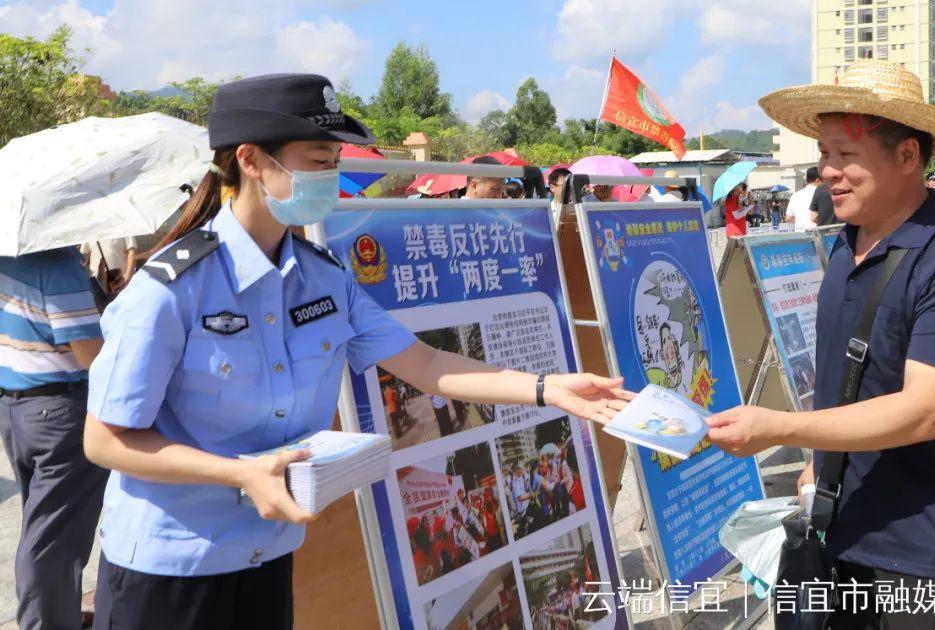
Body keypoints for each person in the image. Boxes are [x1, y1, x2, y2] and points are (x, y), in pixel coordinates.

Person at [82, 73, 631, 630]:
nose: (330, 177)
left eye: (334, 162)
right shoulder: (172, 288)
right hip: (169, 568)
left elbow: (429, 365)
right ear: (250, 160)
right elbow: (105, 439)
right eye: (318, 161)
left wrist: (547, 387)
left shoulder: (324, 280)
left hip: (267, 557)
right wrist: (238, 475)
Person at [712, 59, 935, 628]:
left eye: (846, 156)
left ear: (907, 156)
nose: (827, 172)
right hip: (844, 529)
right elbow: (849, 381)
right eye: (824, 154)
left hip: (923, 554)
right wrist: (818, 466)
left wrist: (779, 428)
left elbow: (923, 413)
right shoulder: (848, 246)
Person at [0, 248, 110, 630]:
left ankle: (58, 612)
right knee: (53, 539)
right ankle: (46, 621)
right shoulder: (58, 270)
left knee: (42, 526)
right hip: (60, 412)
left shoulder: (8, 260)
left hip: (16, 410)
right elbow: (92, 357)